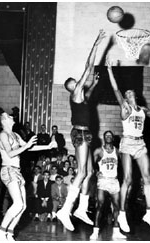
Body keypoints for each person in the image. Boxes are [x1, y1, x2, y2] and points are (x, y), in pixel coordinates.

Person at [106, 58, 150, 233]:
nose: (129, 93)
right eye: (127, 93)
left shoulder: (143, 110)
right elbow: (116, 89)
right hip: (127, 143)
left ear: (135, 95)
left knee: (148, 178)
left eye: (131, 92)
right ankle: (122, 213)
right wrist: (110, 70)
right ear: (126, 98)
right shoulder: (125, 108)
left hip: (140, 144)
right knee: (128, 179)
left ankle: (149, 213)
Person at [57, 29, 106, 231]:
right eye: (76, 83)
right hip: (80, 133)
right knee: (81, 172)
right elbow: (88, 66)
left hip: (85, 133)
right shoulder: (75, 93)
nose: (79, 84)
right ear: (73, 87)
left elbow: (90, 93)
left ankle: (81, 208)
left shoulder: (82, 98)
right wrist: (96, 45)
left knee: (90, 172)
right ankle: (66, 210)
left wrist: (94, 83)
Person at [0, 112, 57, 241]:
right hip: (8, 170)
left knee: (23, 206)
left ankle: (9, 233)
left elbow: (29, 148)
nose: (12, 116)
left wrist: (47, 146)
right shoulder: (2, 135)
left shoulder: (15, 135)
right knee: (17, 204)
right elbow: (10, 154)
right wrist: (26, 145)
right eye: (8, 116)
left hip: (17, 171)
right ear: (4, 120)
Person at [90, 131, 126, 240]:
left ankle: (116, 230)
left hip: (114, 181)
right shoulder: (99, 151)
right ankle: (95, 231)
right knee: (100, 205)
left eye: (110, 136)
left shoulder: (117, 151)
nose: (108, 137)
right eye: (106, 136)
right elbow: (90, 161)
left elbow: (125, 163)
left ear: (113, 138)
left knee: (117, 206)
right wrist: (95, 171)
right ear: (104, 138)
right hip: (103, 181)